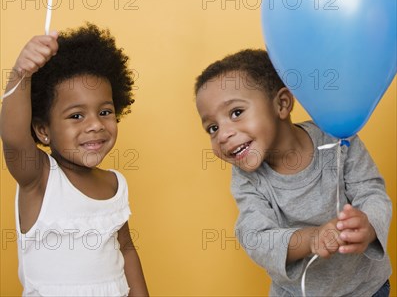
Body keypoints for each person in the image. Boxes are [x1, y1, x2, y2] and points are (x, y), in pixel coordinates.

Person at [195, 49, 392, 297]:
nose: (223, 135)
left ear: (282, 104)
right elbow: (255, 237)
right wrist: (312, 238)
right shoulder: (247, 178)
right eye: (212, 128)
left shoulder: (337, 137)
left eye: (236, 113)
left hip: (365, 288)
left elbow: (372, 192)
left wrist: (368, 225)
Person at [0, 24, 149, 297]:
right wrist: (21, 74)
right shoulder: (40, 179)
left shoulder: (115, 184)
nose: (95, 125)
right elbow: (12, 138)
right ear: (43, 130)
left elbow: (125, 247)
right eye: (76, 116)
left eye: (104, 111)